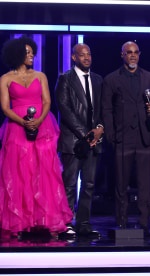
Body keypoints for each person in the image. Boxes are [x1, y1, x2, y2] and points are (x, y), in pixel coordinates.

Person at [0, 36, 73, 238]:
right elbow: (5, 108)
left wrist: (38, 120)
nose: (31, 55)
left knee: (44, 172)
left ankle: (45, 220)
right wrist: (23, 122)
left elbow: (48, 102)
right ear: (16, 54)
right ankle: (19, 222)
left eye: (32, 52)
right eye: (27, 52)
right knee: (18, 173)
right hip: (16, 127)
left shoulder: (40, 76)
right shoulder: (5, 79)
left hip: (43, 126)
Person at [102, 41, 150, 237]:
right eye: (129, 53)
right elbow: (107, 110)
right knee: (121, 186)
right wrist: (111, 135)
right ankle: (122, 224)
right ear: (122, 55)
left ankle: (144, 225)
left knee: (144, 186)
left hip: (145, 137)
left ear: (139, 54)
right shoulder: (111, 79)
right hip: (122, 139)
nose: (133, 56)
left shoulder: (149, 77)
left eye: (135, 52)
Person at [55, 43, 103, 237]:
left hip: (94, 141)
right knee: (69, 183)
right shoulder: (65, 79)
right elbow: (65, 109)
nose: (86, 58)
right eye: (82, 55)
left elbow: (103, 109)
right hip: (73, 141)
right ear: (74, 57)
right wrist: (86, 134)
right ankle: (66, 223)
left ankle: (83, 223)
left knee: (89, 184)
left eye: (89, 54)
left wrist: (99, 129)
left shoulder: (98, 80)